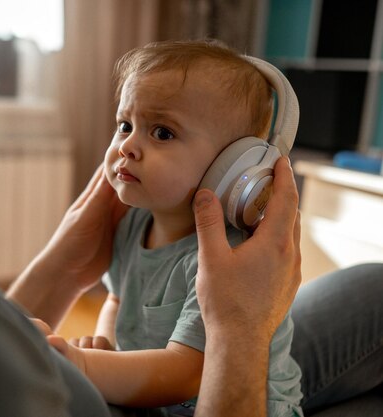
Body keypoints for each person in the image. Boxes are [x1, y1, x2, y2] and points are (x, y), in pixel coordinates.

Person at [0, 1, 380, 416]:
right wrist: (241, 334)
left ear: (232, 167)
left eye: (160, 133)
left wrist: (84, 314)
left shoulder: (205, 251)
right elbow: (181, 356)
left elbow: (119, 299)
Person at [44, 40, 303, 417]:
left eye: (162, 133)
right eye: (125, 125)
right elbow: (118, 298)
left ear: (233, 166)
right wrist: (108, 346)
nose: (128, 145)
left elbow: (186, 373)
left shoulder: (227, 260)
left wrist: (85, 366)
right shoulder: (133, 221)